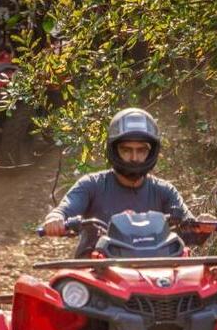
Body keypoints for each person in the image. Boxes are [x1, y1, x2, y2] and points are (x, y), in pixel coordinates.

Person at [41, 107, 197, 257]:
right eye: (126, 150)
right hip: (97, 269)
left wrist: (202, 225)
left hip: (155, 269)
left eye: (141, 150)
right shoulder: (91, 184)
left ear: (151, 153)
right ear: (114, 150)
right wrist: (55, 218)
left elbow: (192, 226)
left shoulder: (165, 190)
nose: (134, 158)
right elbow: (65, 209)